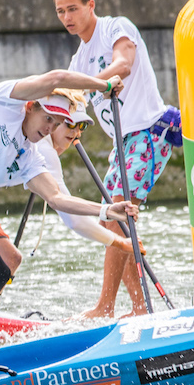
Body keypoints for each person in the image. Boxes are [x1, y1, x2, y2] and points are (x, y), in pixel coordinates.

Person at [0, 69, 140, 324]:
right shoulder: (5, 102)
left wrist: (107, 210)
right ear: (31, 106)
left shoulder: (28, 157)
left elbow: (56, 198)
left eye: (56, 123)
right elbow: (58, 79)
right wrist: (103, 85)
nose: (49, 127)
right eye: (47, 118)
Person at [53, 0, 172, 319]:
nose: (67, 17)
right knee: (116, 223)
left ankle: (107, 307)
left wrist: (99, 83)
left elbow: (123, 65)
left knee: (116, 222)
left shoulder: (115, 28)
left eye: (73, 8)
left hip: (150, 130)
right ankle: (137, 309)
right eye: (61, 11)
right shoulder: (78, 60)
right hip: (122, 142)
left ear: (90, 5)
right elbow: (68, 108)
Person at [32, 90, 139, 259]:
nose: (77, 133)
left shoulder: (46, 147)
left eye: (82, 126)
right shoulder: (44, 150)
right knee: (7, 262)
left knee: (9, 261)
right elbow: (74, 220)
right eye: (71, 124)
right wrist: (120, 242)